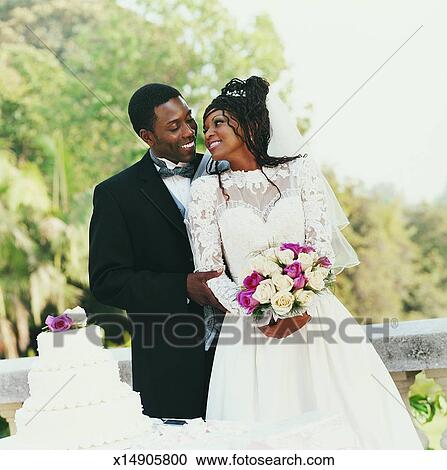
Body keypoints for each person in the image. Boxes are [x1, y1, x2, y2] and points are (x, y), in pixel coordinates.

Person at [186, 76, 423, 448]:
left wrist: (300, 303)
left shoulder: (301, 172)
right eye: (206, 127)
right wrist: (259, 309)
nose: (209, 133)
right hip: (250, 332)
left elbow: (320, 250)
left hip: (317, 320)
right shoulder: (204, 192)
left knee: (345, 417)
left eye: (218, 122)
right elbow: (211, 271)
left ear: (249, 124)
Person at [89, 83, 224, 420]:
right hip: (168, 361)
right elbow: (107, 280)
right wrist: (182, 287)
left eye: (190, 121)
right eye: (174, 127)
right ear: (148, 136)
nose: (190, 132)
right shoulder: (116, 194)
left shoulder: (226, 171)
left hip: (239, 349)